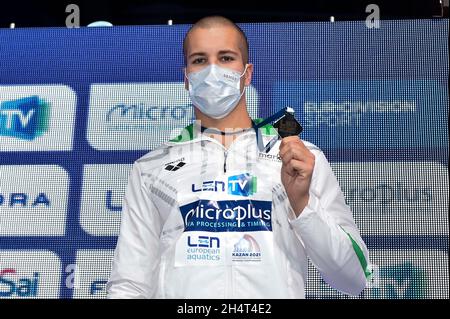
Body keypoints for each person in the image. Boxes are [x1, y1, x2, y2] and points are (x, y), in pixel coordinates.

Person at [106, 16, 371, 299]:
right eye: (199, 60)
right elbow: (129, 284)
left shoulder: (299, 158)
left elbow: (353, 278)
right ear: (186, 78)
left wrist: (302, 204)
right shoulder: (151, 168)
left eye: (226, 58)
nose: (212, 70)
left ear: (247, 73)